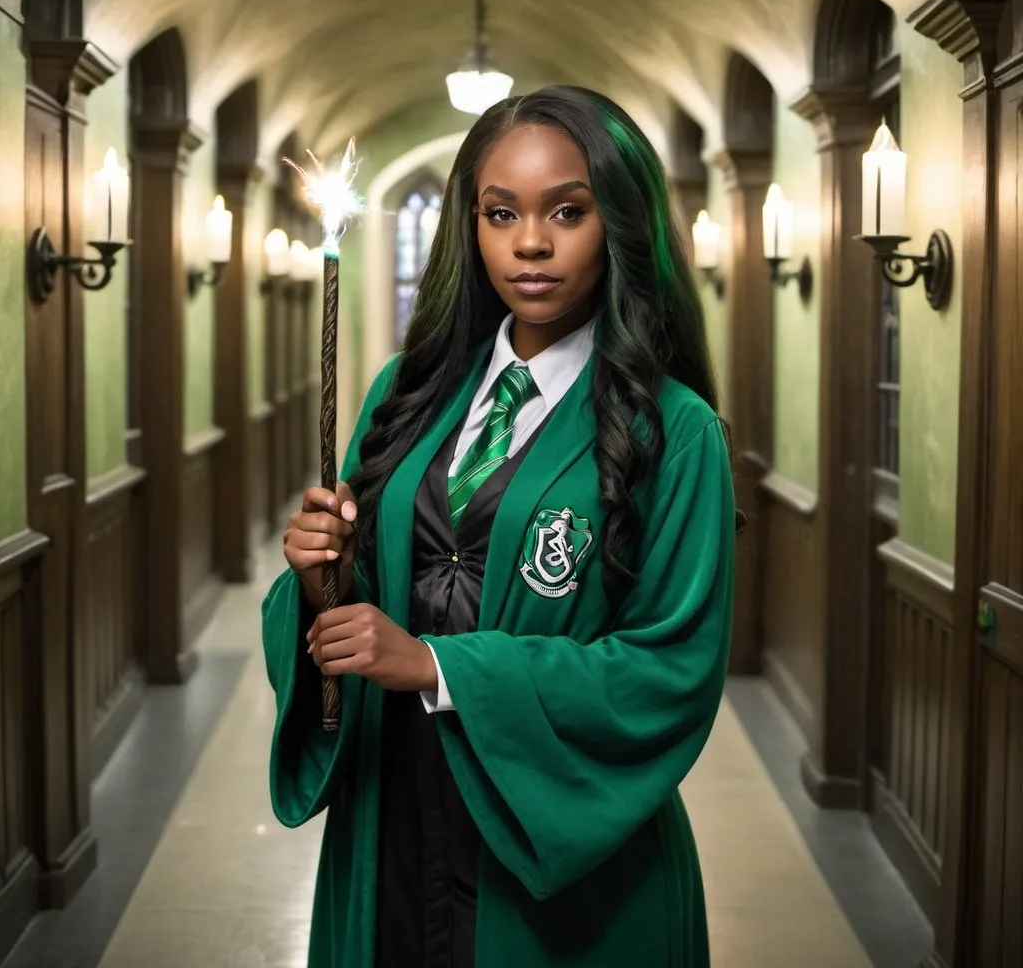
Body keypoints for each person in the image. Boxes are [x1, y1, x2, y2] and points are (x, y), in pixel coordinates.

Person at [262, 84, 736, 968]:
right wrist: (326, 581)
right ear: (469, 226)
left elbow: (670, 669)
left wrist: (439, 667)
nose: (530, 242)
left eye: (568, 210)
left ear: (620, 223)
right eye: (499, 211)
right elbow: (360, 611)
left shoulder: (674, 433)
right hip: (392, 817)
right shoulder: (406, 394)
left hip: (564, 852)